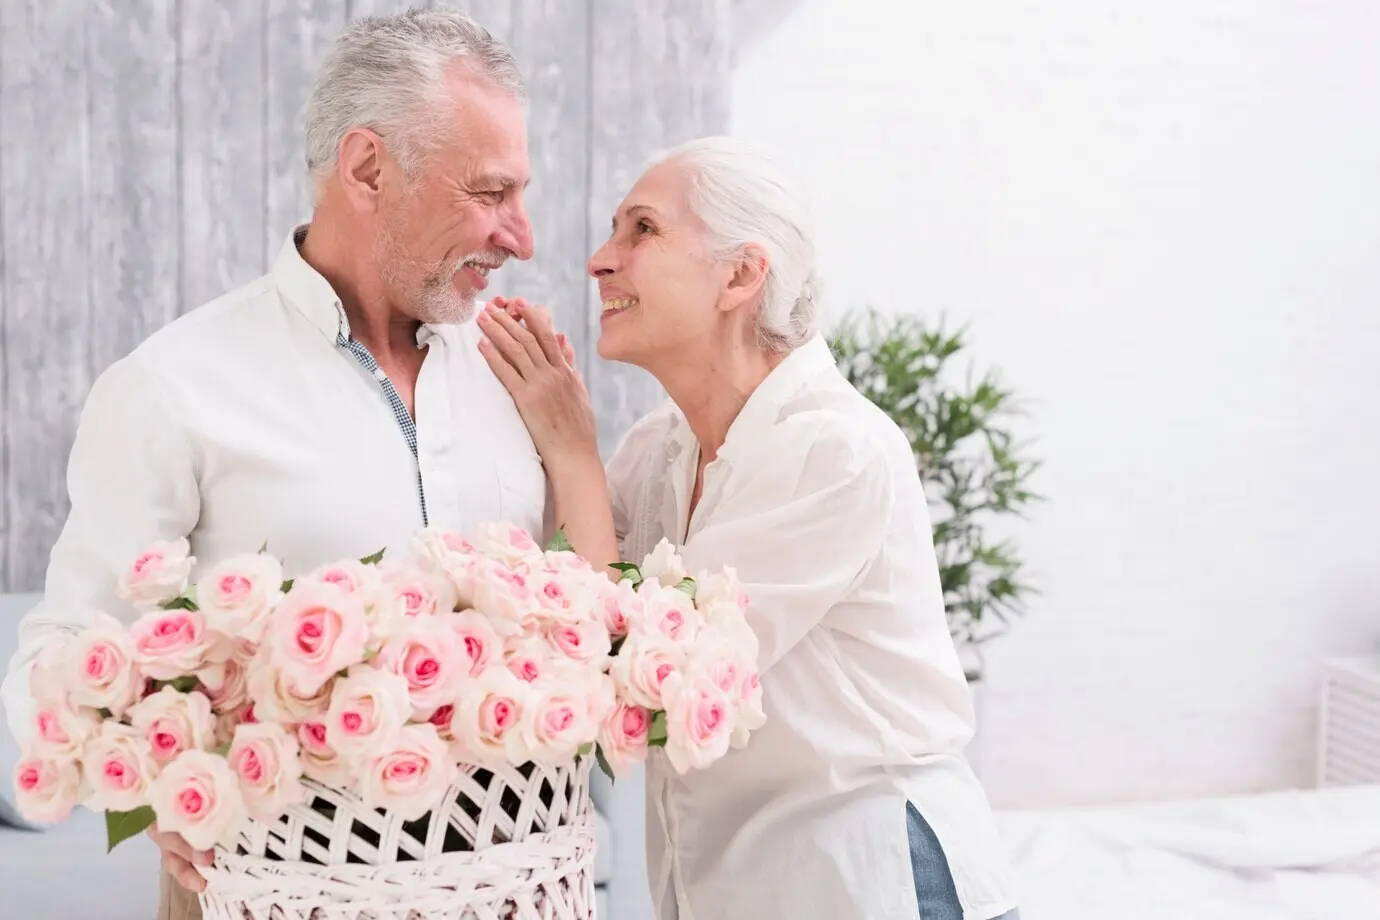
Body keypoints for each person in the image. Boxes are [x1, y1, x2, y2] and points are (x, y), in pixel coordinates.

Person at [1, 11, 541, 919]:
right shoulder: (174, 388)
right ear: (367, 167)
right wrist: (142, 785)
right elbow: (56, 662)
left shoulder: (514, 376)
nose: (520, 237)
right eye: (490, 194)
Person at [476, 136, 1021, 920]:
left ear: (740, 273)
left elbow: (647, 676)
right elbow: (566, 607)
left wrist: (570, 449)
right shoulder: (657, 450)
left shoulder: (835, 450)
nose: (600, 259)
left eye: (643, 230)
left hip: (877, 887)